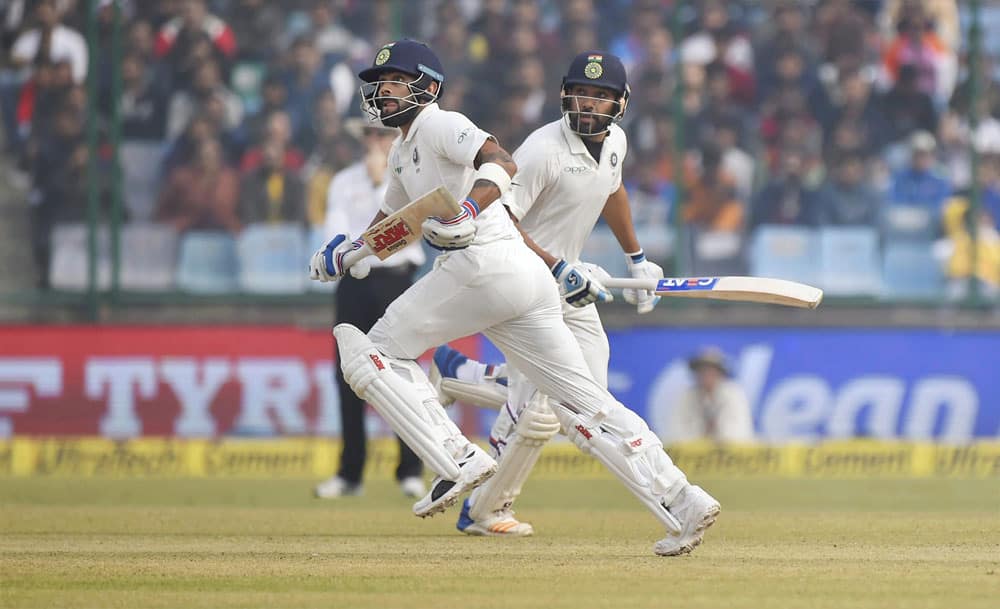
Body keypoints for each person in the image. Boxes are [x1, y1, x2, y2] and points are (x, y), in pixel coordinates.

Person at [308, 40, 720, 557]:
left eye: (395, 80)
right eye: (379, 82)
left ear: (428, 87)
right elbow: (396, 225)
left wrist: (466, 212)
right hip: (527, 280)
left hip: (484, 263)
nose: (383, 90)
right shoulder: (401, 151)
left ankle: (459, 458)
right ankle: (684, 499)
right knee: (586, 404)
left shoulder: (438, 123)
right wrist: (348, 252)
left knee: (367, 349)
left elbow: (498, 159)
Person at [428, 51, 667, 538]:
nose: (589, 103)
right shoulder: (542, 149)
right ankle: (483, 510)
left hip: (568, 284)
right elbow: (502, 217)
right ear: (564, 93)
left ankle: (460, 376)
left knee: (589, 401)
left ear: (619, 103)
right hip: (521, 279)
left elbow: (612, 188)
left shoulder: (614, 141)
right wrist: (556, 266)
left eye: (600, 96)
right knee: (543, 411)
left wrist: (636, 258)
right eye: (582, 91)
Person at [313, 121, 426, 499]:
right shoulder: (344, 181)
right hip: (354, 282)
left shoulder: (411, 179)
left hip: (395, 280)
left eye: (383, 134)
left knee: (401, 375)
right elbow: (336, 234)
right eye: (370, 134)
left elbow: (407, 230)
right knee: (348, 377)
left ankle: (411, 470)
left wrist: (381, 183)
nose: (376, 141)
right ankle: (350, 475)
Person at [665, 348, 755, 444]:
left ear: (721, 373)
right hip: (693, 454)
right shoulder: (687, 396)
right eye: (702, 371)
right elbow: (676, 432)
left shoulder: (734, 394)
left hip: (730, 455)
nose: (706, 375)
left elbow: (741, 433)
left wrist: (718, 430)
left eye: (711, 370)